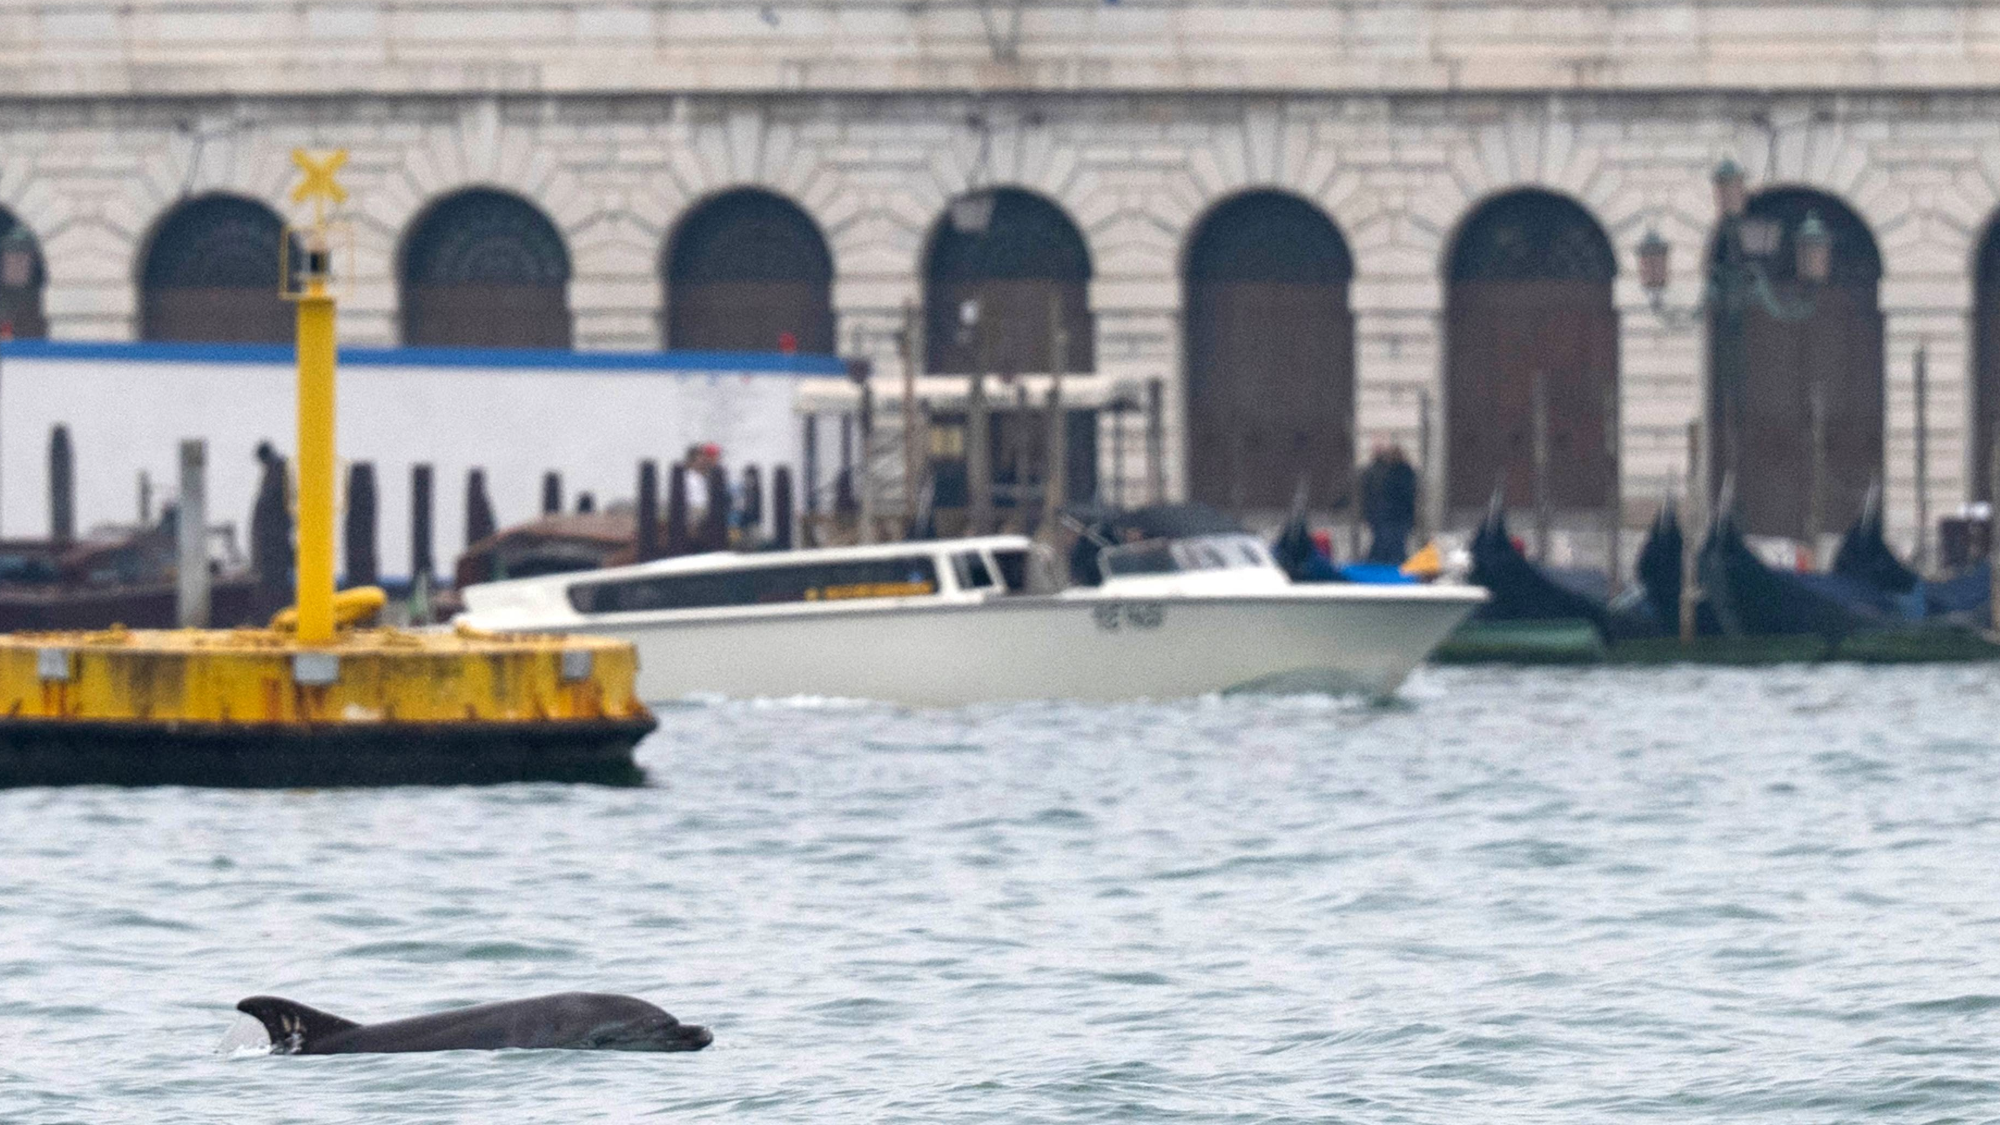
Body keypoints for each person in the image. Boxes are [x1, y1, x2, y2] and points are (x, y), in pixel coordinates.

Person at [1358, 441, 1418, 565]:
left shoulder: (1388, 473)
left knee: (1387, 545)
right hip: (1395, 516)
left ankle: (1379, 566)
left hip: (1390, 516)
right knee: (1393, 546)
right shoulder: (1402, 472)